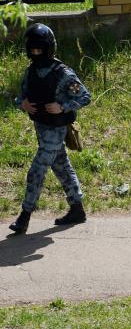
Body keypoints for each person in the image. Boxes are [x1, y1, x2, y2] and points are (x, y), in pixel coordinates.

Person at [8, 24, 90, 235]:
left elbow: (84, 97)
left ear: (48, 48)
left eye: (40, 49)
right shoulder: (31, 71)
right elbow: (21, 96)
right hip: (41, 128)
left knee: (36, 172)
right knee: (61, 166)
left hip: (56, 130)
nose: (36, 53)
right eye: (33, 49)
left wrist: (62, 106)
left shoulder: (63, 73)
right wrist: (22, 104)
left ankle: (24, 216)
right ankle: (77, 209)